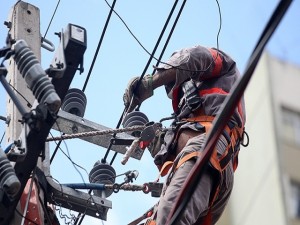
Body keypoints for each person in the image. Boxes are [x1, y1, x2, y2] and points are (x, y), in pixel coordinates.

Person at [123, 45, 246, 225]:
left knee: (170, 216)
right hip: (209, 166)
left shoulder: (221, 66)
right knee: (160, 220)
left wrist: (149, 83)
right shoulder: (187, 119)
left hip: (207, 153)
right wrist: (145, 134)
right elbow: (167, 148)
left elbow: (194, 57)